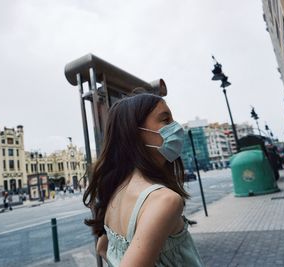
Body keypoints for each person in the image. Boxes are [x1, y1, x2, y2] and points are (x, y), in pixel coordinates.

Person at [83, 93, 204, 267]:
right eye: (165, 120)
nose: (176, 127)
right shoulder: (165, 200)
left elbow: (103, 247)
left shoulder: (115, 191)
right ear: (135, 133)